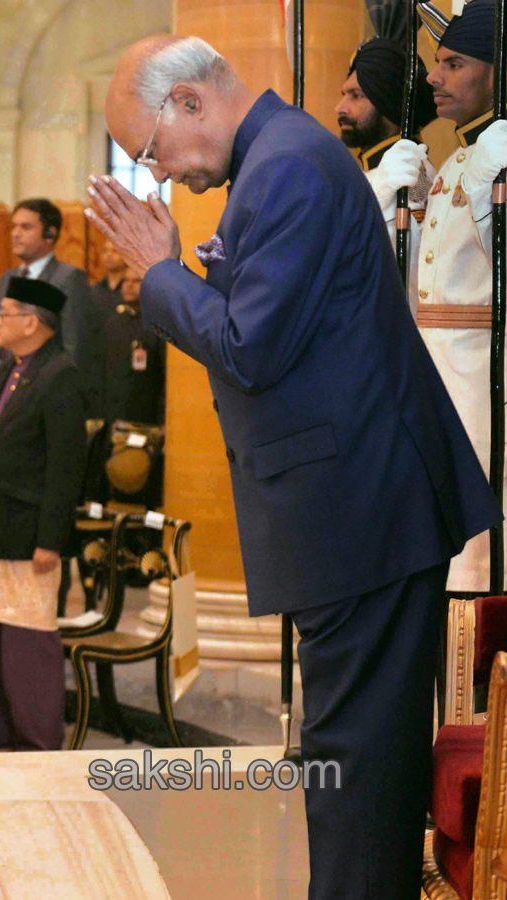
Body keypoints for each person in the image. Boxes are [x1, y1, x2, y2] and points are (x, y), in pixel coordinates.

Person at [85, 34, 498, 899]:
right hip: (353, 513)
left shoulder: (287, 168)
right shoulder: (277, 162)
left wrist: (160, 274)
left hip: (363, 515)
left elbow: (250, 348)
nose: (154, 172)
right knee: (352, 769)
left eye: (150, 149)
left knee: (355, 774)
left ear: (191, 102)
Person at [0, 277, 85, 752]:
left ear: (31, 322)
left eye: (5, 313)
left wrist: (50, 540)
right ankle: (7, 738)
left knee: (28, 645)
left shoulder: (60, 374)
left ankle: (38, 748)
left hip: (31, 536)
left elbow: (65, 466)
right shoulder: (3, 372)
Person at [408, 0, 507, 593]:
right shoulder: (462, 157)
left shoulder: (494, 154)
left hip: (483, 387)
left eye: (455, 63)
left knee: (477, 569)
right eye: (436, 62)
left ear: (497, 71)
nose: (434, 78)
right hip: (440, 381)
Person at [335, 37, 437, 315]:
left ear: (389, 102)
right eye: (344, 94)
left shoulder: (413, 177)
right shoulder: (371, 174)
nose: (340, 108)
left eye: (356, 96)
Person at [0, 199, 90, 361]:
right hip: (5, 378)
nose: (15, 234)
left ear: (50, 234)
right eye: (13, 226)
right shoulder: (7, 278)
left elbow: (74, 345)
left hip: (45, 379)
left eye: (26, 227)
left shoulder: (68, 278)